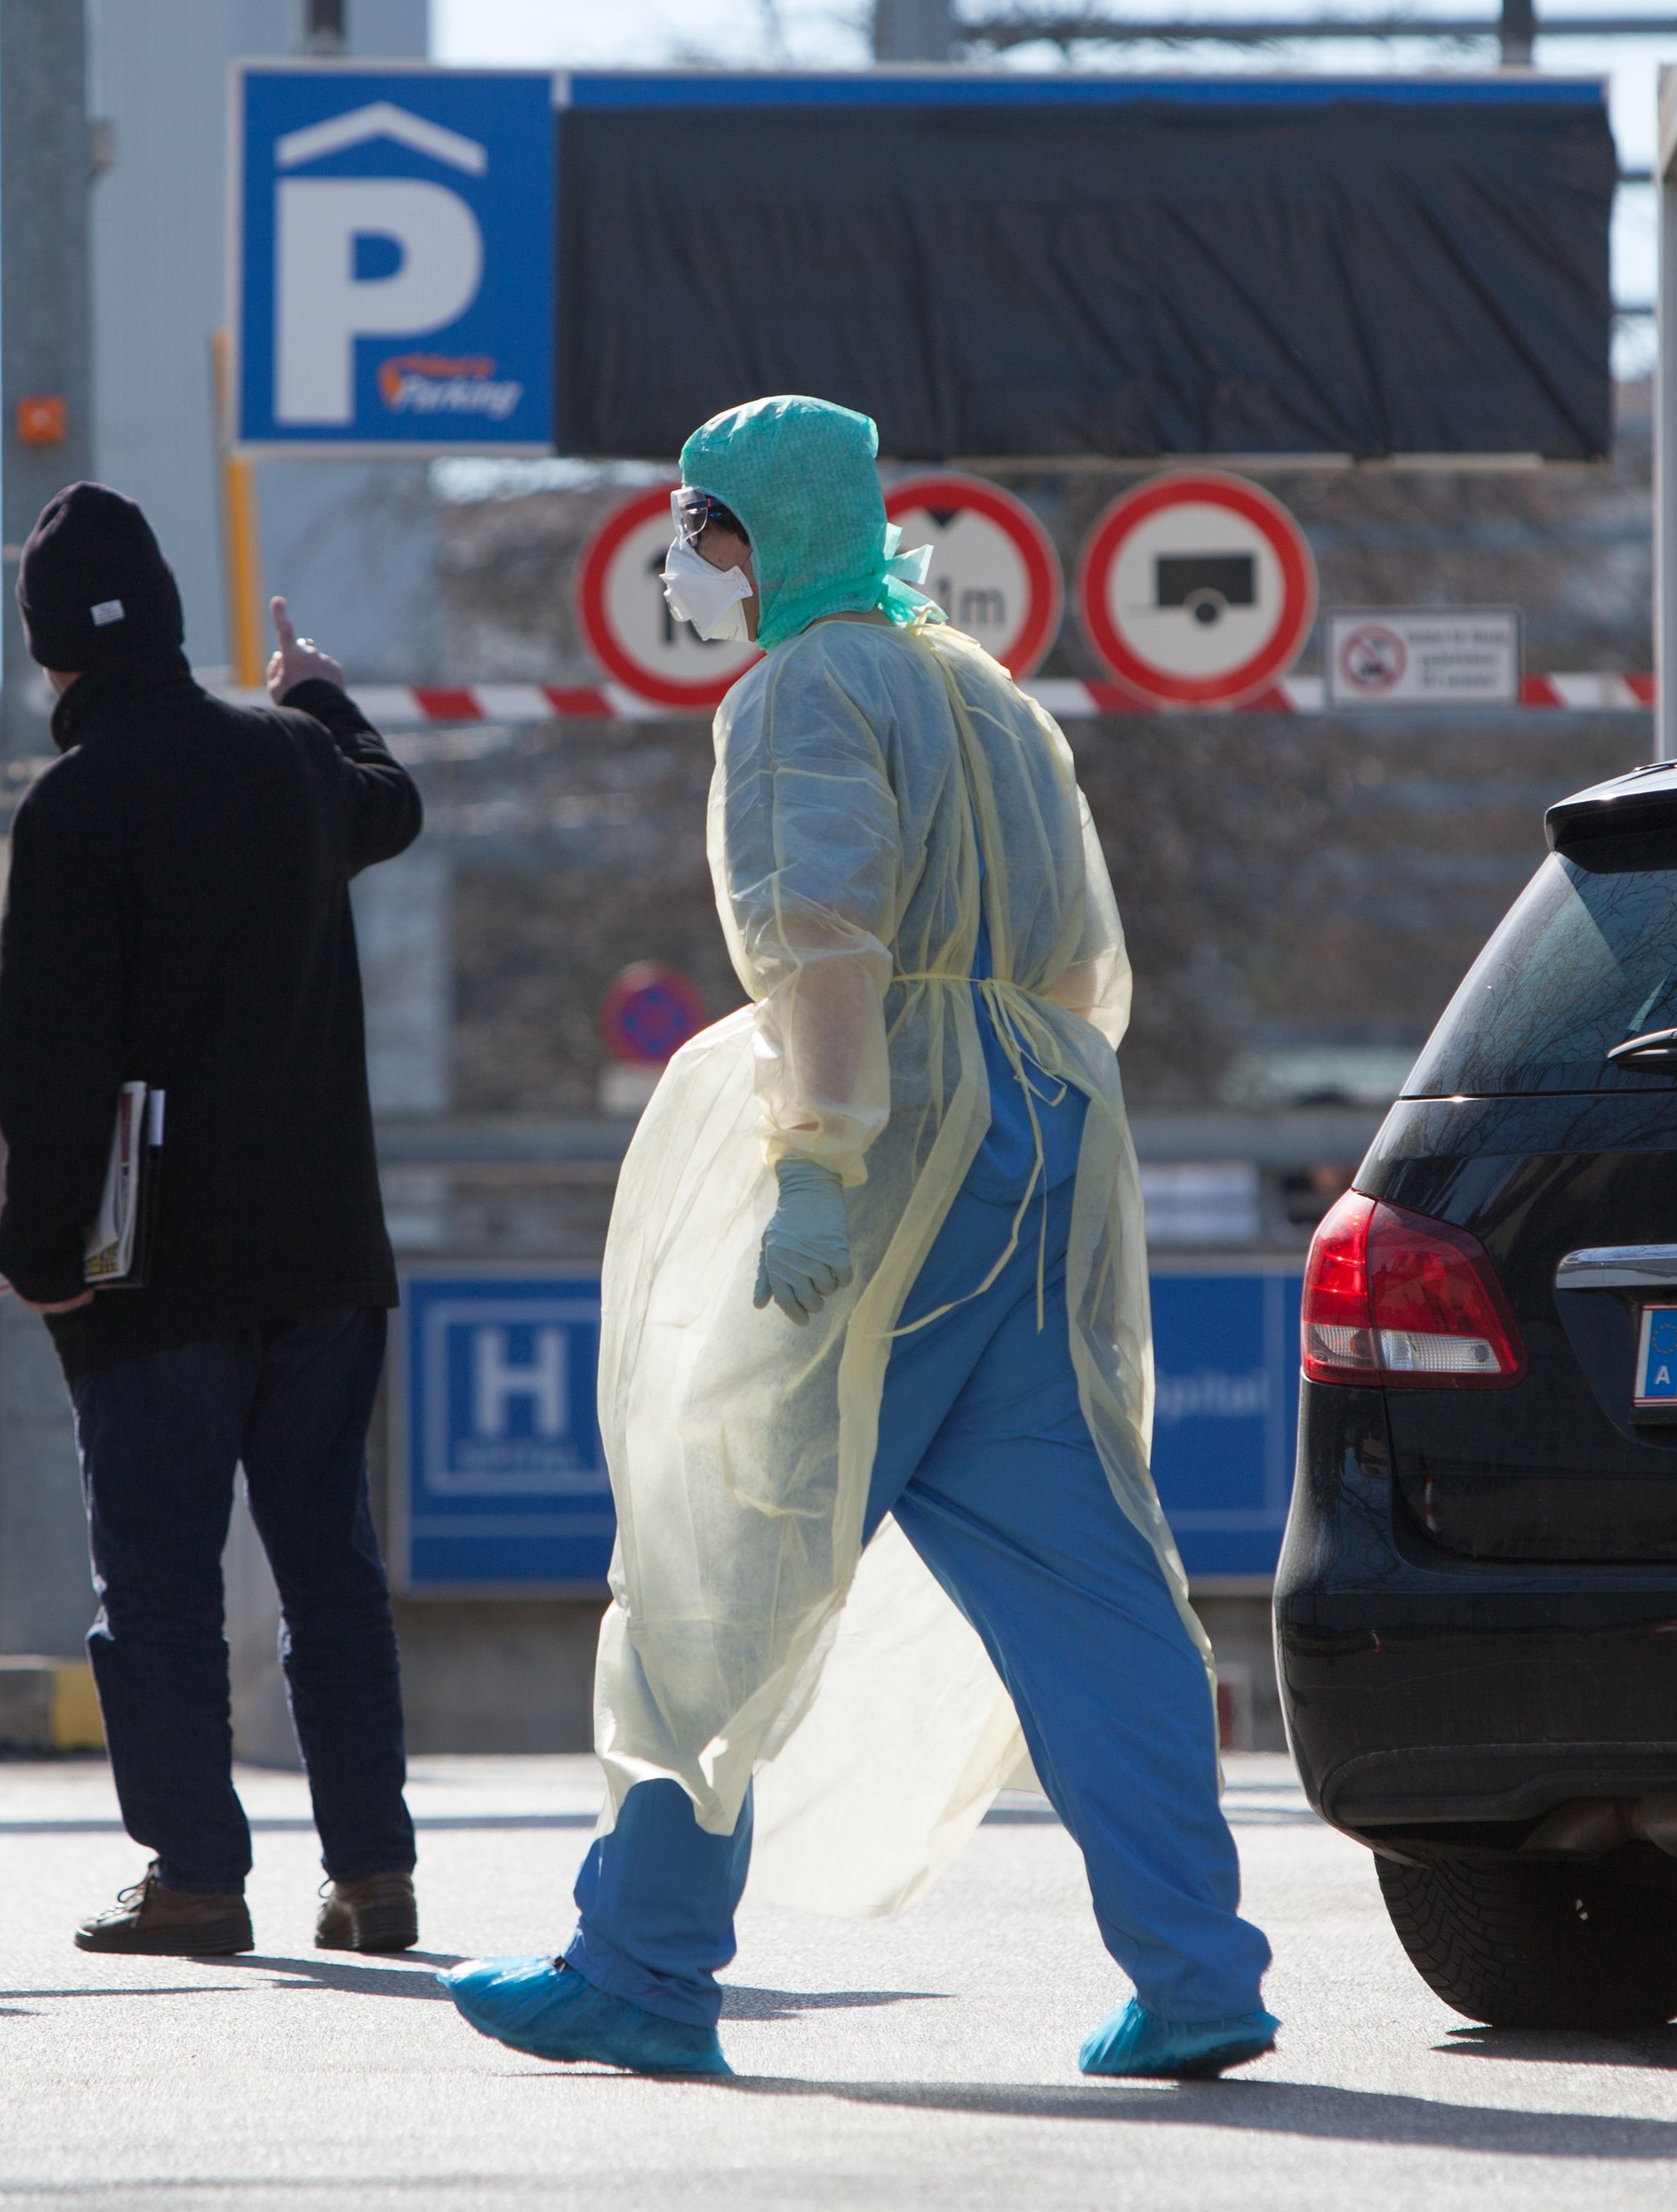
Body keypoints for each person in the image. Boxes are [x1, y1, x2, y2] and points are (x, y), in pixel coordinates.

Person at [438, 398, 1275, 2079]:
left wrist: (819, 1161)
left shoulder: (802, 690)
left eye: (704, 526)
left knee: (725, 1545)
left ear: (768, 536)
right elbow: (1081, 963)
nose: (685, 562)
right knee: (1089, 1574)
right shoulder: (987, 696)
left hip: (897, 1151)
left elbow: (817, 933)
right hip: (1043, 1139)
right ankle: (1197, 1968)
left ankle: (644, 1962)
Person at [0, 482, 421, 1960]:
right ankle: (372, 1871)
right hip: (324, 1252)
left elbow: (51, 1060)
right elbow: (395, 804)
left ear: (52, 657)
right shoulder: (293, 761)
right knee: (329, 1562)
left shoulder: (71, 806)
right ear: (171, 623)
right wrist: (324, 701)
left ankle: (194, 1874)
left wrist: (39, 1254)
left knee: (161, 1576)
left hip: (151, 1259)